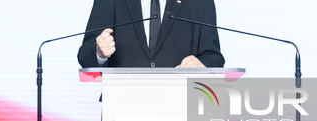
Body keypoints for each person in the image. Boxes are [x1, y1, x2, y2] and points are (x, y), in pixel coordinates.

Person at [78, 0, 225, 68]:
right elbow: (84, 57)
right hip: (122, 108)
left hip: (182, 107)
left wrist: (202, 65)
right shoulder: (109, 2)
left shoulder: (200, 3)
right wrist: (99, 53)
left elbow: (214, 57)